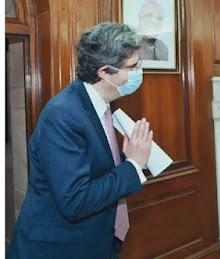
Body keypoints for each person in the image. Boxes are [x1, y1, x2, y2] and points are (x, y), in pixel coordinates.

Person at [7, 22, 153, 259]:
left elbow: (94, 171)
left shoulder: (100, 105)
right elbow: (76, 200)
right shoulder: (62, 114)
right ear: (104, 71)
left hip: (96, 241)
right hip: (58, 250)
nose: (140, 70)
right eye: (133, 66)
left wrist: (130, 157)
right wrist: (133, 166)